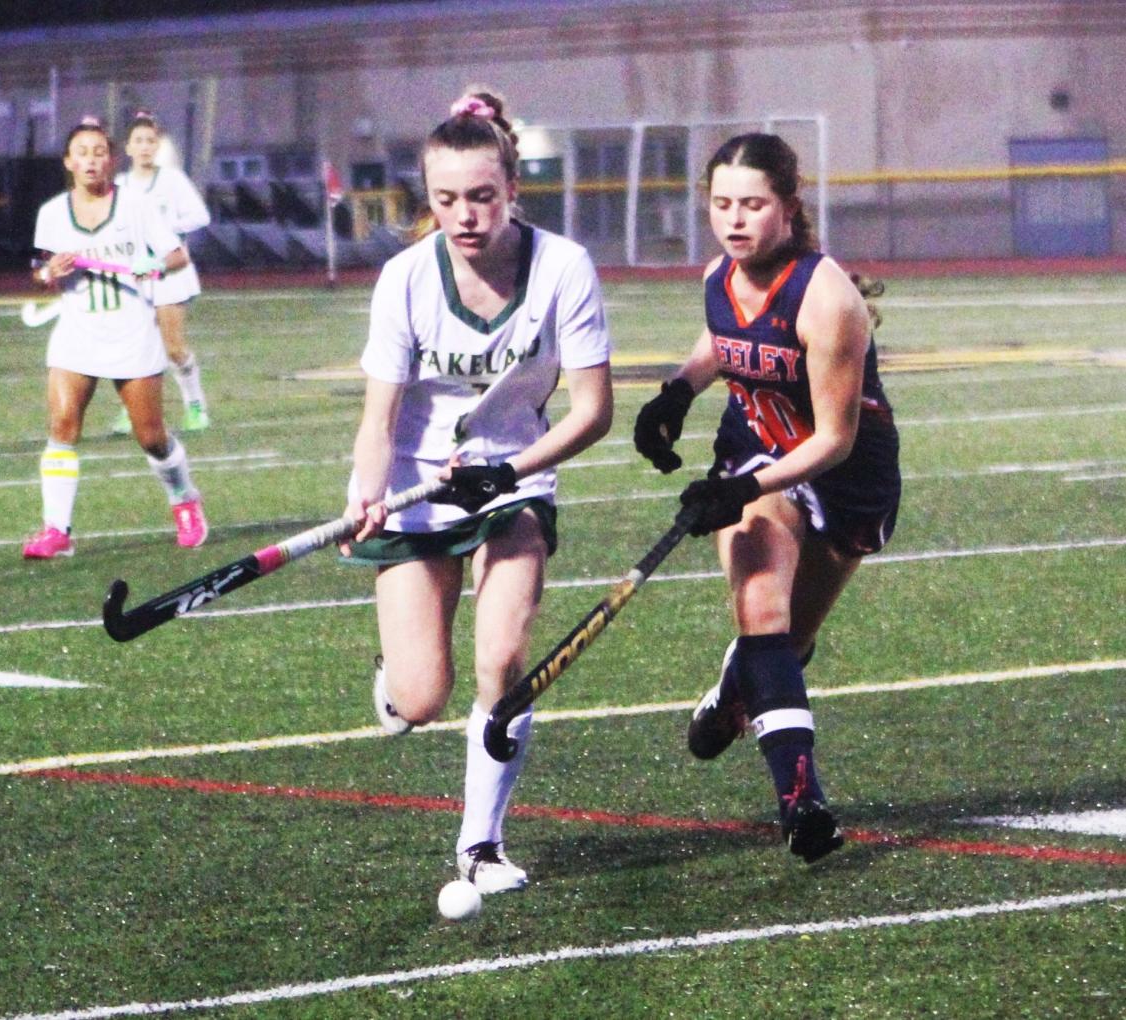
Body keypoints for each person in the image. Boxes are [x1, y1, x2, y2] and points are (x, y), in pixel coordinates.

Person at [339, 90, 614, 894]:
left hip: (512, 481)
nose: (466, 215)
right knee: (422, 698)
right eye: (447, 199)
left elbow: (593, 412)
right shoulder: (404, 279)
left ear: (512, 191)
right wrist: (365, 495)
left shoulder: (563, 267)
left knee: (504, 658)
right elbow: (378, 418)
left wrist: (513, 474)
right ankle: (396, 673)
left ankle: (479, 845)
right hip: (414, 487)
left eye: (482, 196)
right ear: (427, 200)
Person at [633, 132, 901, 863]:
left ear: (788, 206)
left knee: (792, 641)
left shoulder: (827, 299)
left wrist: (737, 491)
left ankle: (735, 690)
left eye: (752, 204)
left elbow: (833, 441)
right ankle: (801, 803)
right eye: (721, 204)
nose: (734, 219)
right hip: (755, 444)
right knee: (761, 611)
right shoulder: (719, 274)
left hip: (844, 473)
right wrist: (676, 391)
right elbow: (724, 337)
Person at [23, 115, 209, 559]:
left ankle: (185, 500)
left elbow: (177, 255)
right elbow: (39, 273)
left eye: (99, 153)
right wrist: (51, 272)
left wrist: (154, 267)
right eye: (82, 153)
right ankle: (57, 531)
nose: (91, 161)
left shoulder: (137, 207)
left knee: (152, 437)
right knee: (63, 428)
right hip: (76, 336)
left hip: (131, 336)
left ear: (112, 160)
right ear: (69, 162)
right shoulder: (52, 213)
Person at [112, 109, 213, 435]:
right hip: (135, 277)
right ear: (127, 148)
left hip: (170, 273)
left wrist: (165, 226)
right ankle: (133, 410)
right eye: (138, 141)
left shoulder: (172, 180)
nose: (144, 147)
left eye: (150, 141)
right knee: (134, 347)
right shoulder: (118, 186)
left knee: (173, 348)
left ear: (157, 146)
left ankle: (195, 406)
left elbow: (201, 217)